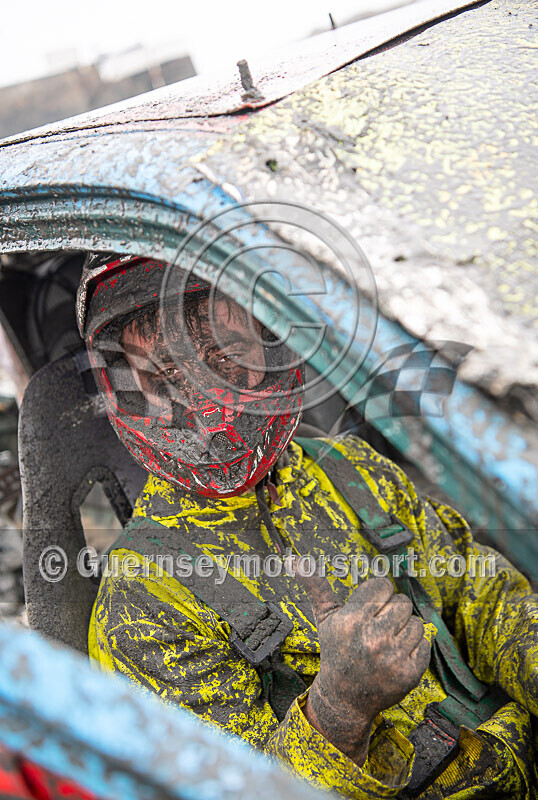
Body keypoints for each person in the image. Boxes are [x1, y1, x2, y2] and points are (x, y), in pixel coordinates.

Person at [78, 254, 538, 799]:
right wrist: (338, 711)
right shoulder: (143, 602)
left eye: (223, 354)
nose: (203, 401)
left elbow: (482, 598)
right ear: (125, 392)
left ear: (272, 344)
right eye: (162, 376)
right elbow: (234, 790)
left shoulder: (350, 470)